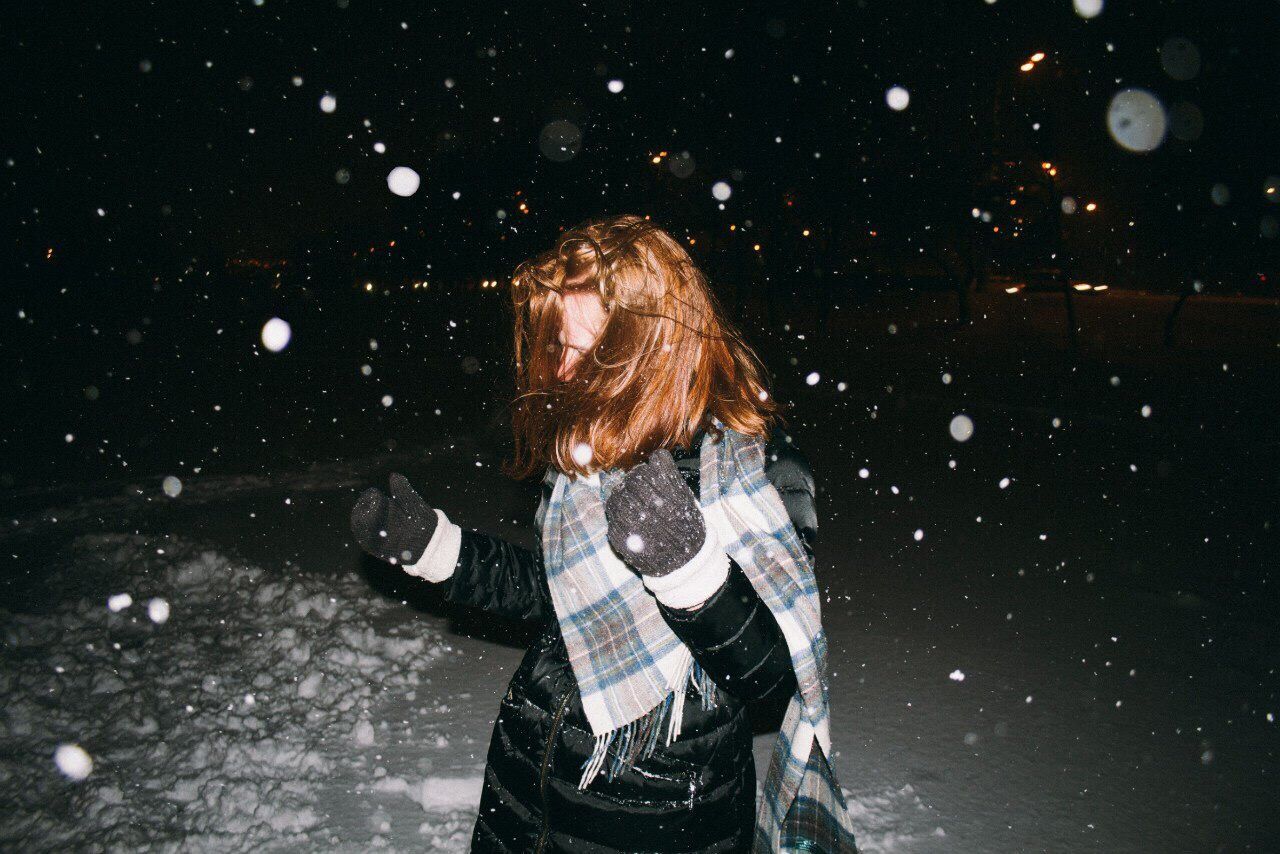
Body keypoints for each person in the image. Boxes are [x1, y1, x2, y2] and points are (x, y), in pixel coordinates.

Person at [350, 215, 858, 852]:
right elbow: (555, 594)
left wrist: (690, 572)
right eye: (560, 348)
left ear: (654, 350)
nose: (563, 374)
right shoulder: (590, 458)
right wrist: (438, 549)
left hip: (659, 815)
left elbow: (771, 676)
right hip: (529, 787)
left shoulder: (751, 475)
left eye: (588, 354)